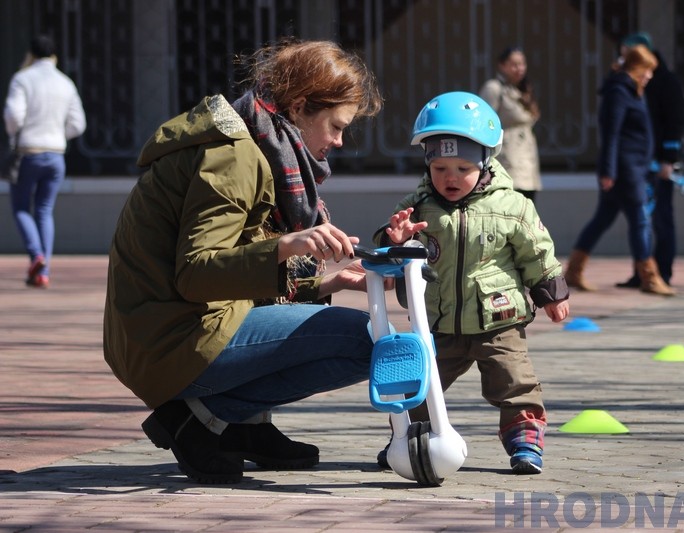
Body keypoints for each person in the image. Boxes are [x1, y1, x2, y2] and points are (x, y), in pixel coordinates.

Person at [103, 39, 383, 484]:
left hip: (170, 332)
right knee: (369, 340)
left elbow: (241, 270)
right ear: (299, 107)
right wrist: (288, 245)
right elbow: (197, 273)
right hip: (169, 345)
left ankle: (244, 426)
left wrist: (327, 284)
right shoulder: (235, 155)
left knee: (342, 326)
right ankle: (201, 419)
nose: (338, 141)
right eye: (335, 126)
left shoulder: (261, 144)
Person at [374, 91, 570, 475]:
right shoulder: (419, 207)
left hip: (499, 319)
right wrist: (394, 239)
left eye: (462, 168)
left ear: (485, 162)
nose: (450, 178)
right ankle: (408, 439)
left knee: (515, 381)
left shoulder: (512, 206)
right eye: (440, 168)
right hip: (438, 322)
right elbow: (392, 253)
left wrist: (551, 291)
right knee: (422, 385)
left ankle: (524, 439)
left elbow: (536, 252)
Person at [564, 45, 674, 296]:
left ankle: (574, 270)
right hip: (625, 171)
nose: (650, 76)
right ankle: (649, 277)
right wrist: (608, 172)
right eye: (647, 70)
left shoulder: (633, 91)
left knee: (603, 218)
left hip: (634, 168)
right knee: (640, 220)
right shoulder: (619, 92)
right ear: (636, 68)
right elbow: (611, 134)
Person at [3, 35, 86, 288]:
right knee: (44, 210)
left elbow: (13, 115)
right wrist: (58, 135)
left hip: (28, 152)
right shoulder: (66, 82)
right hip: (56, 155)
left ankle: (36, 255)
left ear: (30, 54)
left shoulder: (22, 78)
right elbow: (78, 124)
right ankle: (44, 271)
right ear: (54, 56)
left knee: (20, 208)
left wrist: (15, 134)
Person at [614, 32, 684, 289]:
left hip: (658, 164)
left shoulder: (665, 81)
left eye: (628, 54)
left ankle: (663, 272)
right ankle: (642, 273)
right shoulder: (630, 83)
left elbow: (675, 123)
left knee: (661, 218)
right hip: (638, 164)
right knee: (639, 220)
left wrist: (669, 159)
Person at [479, 46, 542, 204]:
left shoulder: (523, 90)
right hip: (507, 158)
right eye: (514, 64)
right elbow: (483, 123)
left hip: (528, 159)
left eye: (522, 64)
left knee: (527, 208)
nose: (519, 68)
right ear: (502, 65)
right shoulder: (494, 89)